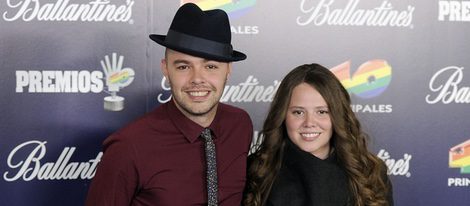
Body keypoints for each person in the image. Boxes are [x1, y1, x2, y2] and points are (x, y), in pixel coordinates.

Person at [85, 3, 253, 206]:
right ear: (165, 69)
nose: (197, 79)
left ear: (228, 69)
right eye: (183, 66)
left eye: (210, 66)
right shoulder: (128, 147)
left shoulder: (240, 124)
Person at [243, 64, 393, 206]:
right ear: (283, 116)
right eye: (298, 112)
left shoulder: (370, 172)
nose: (309, 123)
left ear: (337, 116)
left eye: (322, 112)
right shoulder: (256, 170)